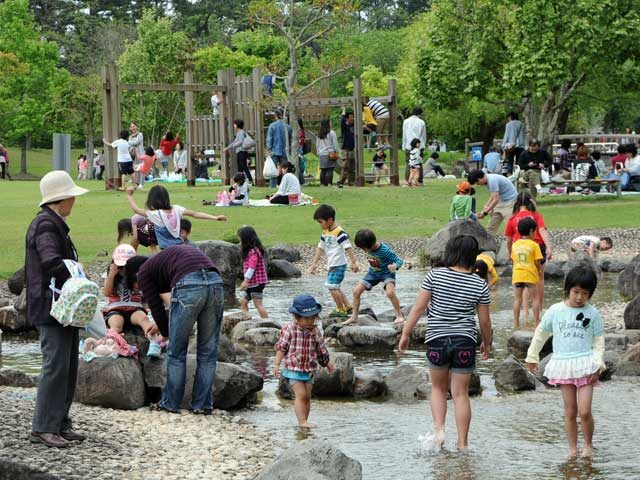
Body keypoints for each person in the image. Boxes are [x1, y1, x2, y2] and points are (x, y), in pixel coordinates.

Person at [399, 235, 492, 451]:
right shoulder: (480, 284)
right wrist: (487, 343)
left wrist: (405, 333)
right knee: (460, 393)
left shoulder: (435, 275)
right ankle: (462, 444)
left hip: (437, 340)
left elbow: (418, 308)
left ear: (450, 252)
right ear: (473, 256)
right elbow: (485, 321)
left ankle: (439, 431)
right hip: (464, 342)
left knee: (439, 389)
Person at [26, 170, 88, 448]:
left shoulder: (52, 223)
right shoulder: (46, 225)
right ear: (60, 199)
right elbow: (51, 261)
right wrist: (78, 281)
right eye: (71, 197)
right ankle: (43, 427)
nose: (74, 201)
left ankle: (60, 423)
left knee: (67, 366)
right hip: (53, 308)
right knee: (56, 366)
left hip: (62, 307)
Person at [134, 244, 224, 414]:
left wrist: (166, 334)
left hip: (189, 283)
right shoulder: (164, 262)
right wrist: (165, 325)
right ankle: (202, 405)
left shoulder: (143, 273)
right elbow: (173, 306)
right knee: (208, 352)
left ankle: (171, 403)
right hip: (215, 282)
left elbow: (156, 307)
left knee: (176, 353)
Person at [526, 267, 605, 459]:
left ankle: (588, 445)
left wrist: (598, 363)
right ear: (568, 289)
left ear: (590, 294)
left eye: (585, 293)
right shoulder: (556, 311)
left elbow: (598, 341)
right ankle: (572, 449)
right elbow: (541, 334)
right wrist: (532, 356)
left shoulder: (593, 313)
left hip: (586, 365)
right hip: (563, 365)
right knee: (570, 411)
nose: (579, 297)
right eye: (576, 292)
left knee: (584, 411)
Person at [273, 294, 335, 428]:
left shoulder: (316, 331)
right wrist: (277, 364)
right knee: (301, 395)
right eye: (306, 318)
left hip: (309, 368)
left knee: (307, 396)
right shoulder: (290, 329)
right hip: (293, 368)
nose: (310, 321)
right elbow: (281, 347)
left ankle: (305, 421)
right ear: (297, 317)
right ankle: (302, 422)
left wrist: (327, 362)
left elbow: (321, 349)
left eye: (313, 317)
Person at [103, 244, 162, 358]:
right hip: (116, 309)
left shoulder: (138, 276)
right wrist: (111, 275)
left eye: (127, 267)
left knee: (144, 319)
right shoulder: (112, 276)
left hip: (134, 308)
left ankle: (154, 342)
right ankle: (111, 344)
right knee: (116, 324)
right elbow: (106, 293)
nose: (123, 270)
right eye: (120, 266)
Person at [126, 185, 227, 249]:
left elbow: (136, 210)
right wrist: (215, 217)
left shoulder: (155, 214)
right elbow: (195, 214)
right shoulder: (176, 209)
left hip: (168, 251)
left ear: (152, 200)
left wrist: (129, 196)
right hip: (182, 245)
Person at [504, 192, 553, 313]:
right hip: (537, 247)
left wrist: (510, 254)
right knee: (538, 279)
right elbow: (542, 230)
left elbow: (509, 240)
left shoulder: (512, 218)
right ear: (531, 201)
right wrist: (549, 247)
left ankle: (525, 311)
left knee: (524, 280)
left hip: (519, 249)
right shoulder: (536, 215)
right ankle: (539, 309)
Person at [345, 229, 405, 325]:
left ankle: (399, 316)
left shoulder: (385, 251)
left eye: (363, 248)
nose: (363, 250)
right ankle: (354, 317)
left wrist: (394, 266)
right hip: (373, 273)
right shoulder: (369, 246)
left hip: (387, 273)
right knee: (356, 291)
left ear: (371, 245)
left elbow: (400, 260)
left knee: (390, 292)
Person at [309, 204, 359, 317]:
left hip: (339, 264)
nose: (320, 225)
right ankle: (348, 306)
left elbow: (348, 247)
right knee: (335, 286)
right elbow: (320, 248)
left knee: (331, 286)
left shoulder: (339, 232)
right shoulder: (325, 232)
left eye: (321, 222)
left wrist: (354, 262)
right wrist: (314, 263)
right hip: (332, 264)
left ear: (330, 220)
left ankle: (340, 309)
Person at [511, 217, 543, 327]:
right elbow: (538, 262)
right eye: (535, 231)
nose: (536, 233)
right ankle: (536, 321)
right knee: (535, 298)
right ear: (530, 231)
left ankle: (516, 322)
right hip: (530, 274)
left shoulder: (515, 244)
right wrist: (539, 271)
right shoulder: (534, 245)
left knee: (517, 299)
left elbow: (513, 260)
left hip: (517, 274)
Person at [467, 169, 518, 235]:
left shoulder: (492, 180)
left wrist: (485, 213)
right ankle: (489, 243)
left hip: (510, 202)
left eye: (477, 183)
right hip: (501, 202)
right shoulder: (489, 179)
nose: (478, 184)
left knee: (512, 228)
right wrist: (487, 205)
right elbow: (493, 194)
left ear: (479, 179)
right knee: (490, 229)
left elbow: (495, 200)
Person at [238, 226, 269, 319]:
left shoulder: (253, 252)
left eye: (240, 239)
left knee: (258, 303)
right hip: (251, 283)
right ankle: (246, 320)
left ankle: (267, 322)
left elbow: (252, 267)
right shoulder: (249, 251)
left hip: (256, 283)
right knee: (243, 301)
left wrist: (246, 281)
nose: (239, 242)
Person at [266, 110, 291, 188]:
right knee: (285, 169)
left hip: (274, 149)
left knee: (273, 169)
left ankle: (272, 185)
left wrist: (269, 148)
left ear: (275, 116)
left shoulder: (272, 126)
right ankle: (286, 185)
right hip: (284, 150)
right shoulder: (288, 126)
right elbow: (290, 139)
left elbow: (269, 139)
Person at [402, 107, 427, 183]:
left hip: (408, 145)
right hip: (419, 145)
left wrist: (404, 145)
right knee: (419, 163)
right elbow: (423, 136)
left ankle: (407, 180)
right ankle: (419, 180)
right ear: (419, 113)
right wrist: (423, 145)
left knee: (408, 163)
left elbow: (404, 134)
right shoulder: (421, 122)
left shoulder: (406, 121)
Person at [224, 119, 253, 184]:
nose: (234, 125)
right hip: (240, 152)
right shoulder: (239, 133)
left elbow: (240, 142)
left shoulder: (241, 132)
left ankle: (250, 180)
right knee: (240, 168)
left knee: (243, 167)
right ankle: (241, 181)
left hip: (242, 152)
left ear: (237, 125)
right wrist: (227, 148)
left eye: (234, 124)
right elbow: (234, 142)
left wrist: (233, 146)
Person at [316, 118, 340, 187]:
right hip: (331, 153)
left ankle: (322, 184)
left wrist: (318, 152)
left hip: (322, 154)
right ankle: (330, 183)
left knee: (323, 170)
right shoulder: (332, 133)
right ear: (328, 124)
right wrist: (337, 151)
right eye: (330, 122)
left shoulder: (319, 133)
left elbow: (317, 144)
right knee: (330, 169)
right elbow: (335, 143)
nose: (331, 124)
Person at [338, 108, 356, 187]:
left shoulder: (354, 125)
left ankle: (351, 183)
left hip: (352, 149)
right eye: (350, 117)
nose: (352, 118)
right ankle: (341, 182)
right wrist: (344, 110)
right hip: (346, 149)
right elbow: (342, 120)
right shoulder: (345, 126)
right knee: (345, 166)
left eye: (353, 117)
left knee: (352, 167)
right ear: (347, 118)